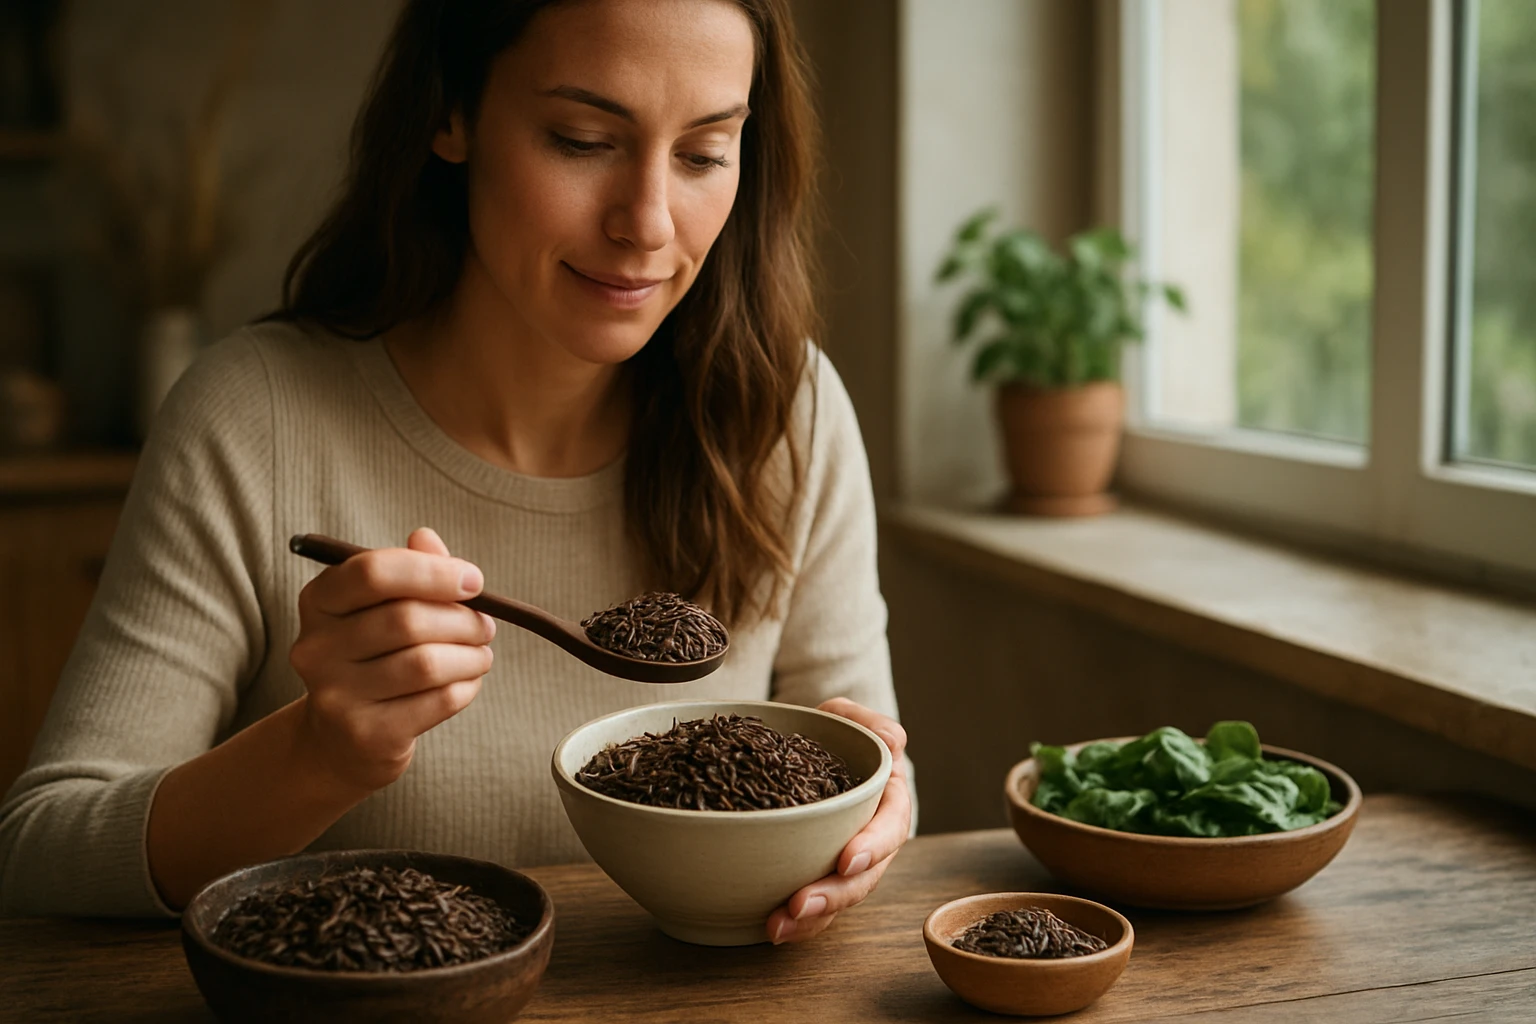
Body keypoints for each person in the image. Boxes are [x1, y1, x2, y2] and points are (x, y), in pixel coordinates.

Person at [0, 0, 912, 945]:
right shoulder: (253, 418)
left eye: (702, 153)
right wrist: (320, 753)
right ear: (452, 114)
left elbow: (872, 758)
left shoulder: (782, 411)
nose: (645, 223)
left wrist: (878, 814)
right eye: (582, 139)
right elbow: (41, 851)